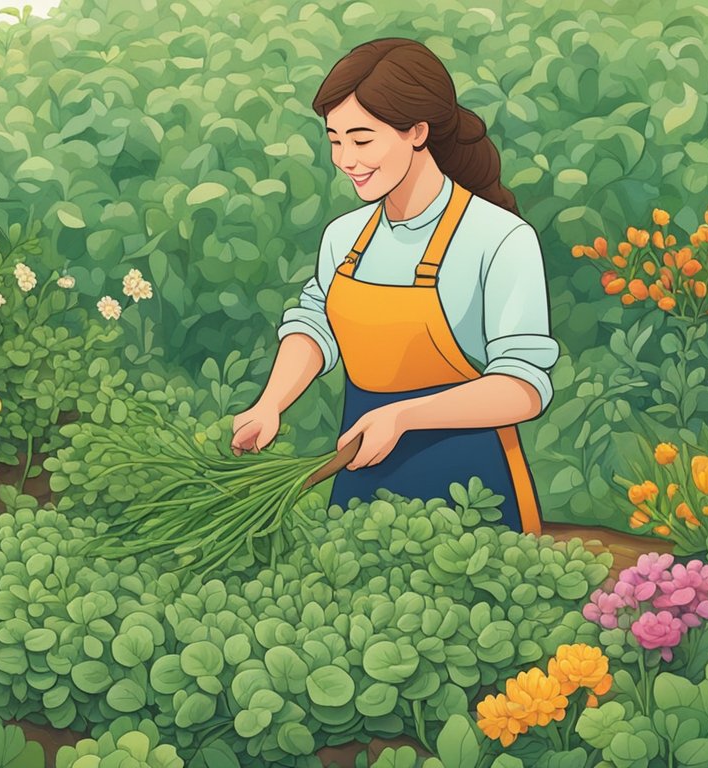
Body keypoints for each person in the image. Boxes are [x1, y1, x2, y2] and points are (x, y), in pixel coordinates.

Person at [229, 38, 558, 535]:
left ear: (417, 132)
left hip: (470, 488)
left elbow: (523, 388)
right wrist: (270, 403)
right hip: (360, 475)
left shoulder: (500, 238)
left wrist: (404, 416)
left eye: (362, 140)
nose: (345, 159)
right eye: (335, 140)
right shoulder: (344, 236)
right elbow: (317, 325)